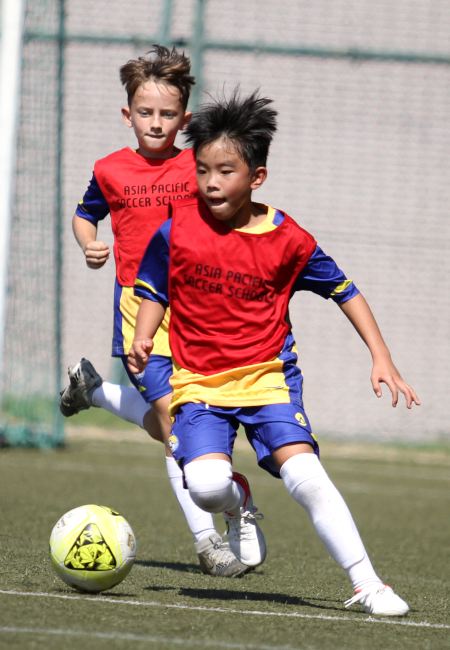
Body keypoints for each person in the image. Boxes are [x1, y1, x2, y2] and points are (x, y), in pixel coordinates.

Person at [129, 90, 420, 616]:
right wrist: (144, 336)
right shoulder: (177, 230)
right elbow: (153, 289)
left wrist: (381, 356)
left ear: (256, 177)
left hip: (269, 380)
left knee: (305, 476)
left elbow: (345, 290)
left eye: (225, 170)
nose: (211, 182)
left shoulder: (289, 240)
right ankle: (238, 501)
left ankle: (368, 583)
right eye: (202, 170)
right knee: (207, 487)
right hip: (197, 384)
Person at [58, 46, 248, 577]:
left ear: (185, 119)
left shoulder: (198, 165)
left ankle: (92, 390)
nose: (156, 123)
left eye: (168, 114)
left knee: (178, 424)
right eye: (146, 112)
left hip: (197, 309)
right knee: (174, 426)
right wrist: (89, 242)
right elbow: (83, 215)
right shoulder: (110, 169)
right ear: (128, 114)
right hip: (137, 308)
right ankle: (209, 543)